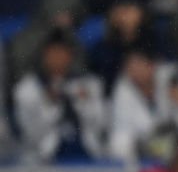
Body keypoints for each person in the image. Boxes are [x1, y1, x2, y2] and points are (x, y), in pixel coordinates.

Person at [108, 45, 178, 167]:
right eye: (130, 67)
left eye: (139, 65)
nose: (134, 71)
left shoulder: (177, 82)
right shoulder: (123, 90)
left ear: (152, 65)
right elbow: (119, 140)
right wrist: (146, 146)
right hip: (143, 158)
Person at [13, 29, 108, 164]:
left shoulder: (90, 84)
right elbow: (31, 135)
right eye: (53, 53)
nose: (58, 58)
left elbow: (100, 125)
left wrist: (84, 102)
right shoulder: (27, 89)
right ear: (43, 55)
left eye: (62, 53)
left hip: (86, 154)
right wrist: (50, 104)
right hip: (45, 158)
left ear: (70, 55)